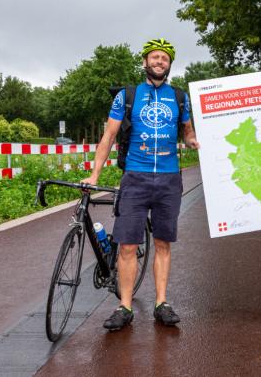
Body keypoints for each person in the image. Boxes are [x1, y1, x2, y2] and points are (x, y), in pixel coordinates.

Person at [82, 38, 200, 330]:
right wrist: (94, 175)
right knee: (127, 246)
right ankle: (125, 306)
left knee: (162, 243)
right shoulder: (127, 96)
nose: (160, 62)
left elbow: (187, 132)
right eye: (155, 57)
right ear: (146, 62)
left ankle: (162, 302)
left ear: (170, 65)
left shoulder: (180, 97)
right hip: (135, 177)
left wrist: (192, 140)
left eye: (165, 59)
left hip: (169, 179)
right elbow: (108, 137)